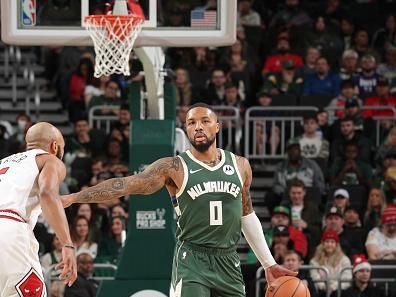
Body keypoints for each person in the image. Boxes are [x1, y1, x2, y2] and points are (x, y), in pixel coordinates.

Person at [62, 103, 296, 296]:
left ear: (218, 126)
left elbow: (246, 213)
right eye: (191, 123)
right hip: (192, 259)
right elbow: (125, 185)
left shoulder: (240, 165)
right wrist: (76, 197)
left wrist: (268, 263)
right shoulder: (174, 167)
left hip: (228, 260)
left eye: (205, 121)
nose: (198, 127)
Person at [0, 122, 77, 296]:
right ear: (55, 146)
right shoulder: (49, 159)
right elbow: (47, 194)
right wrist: (67, 244)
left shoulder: (4, 163)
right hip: (9, 232)